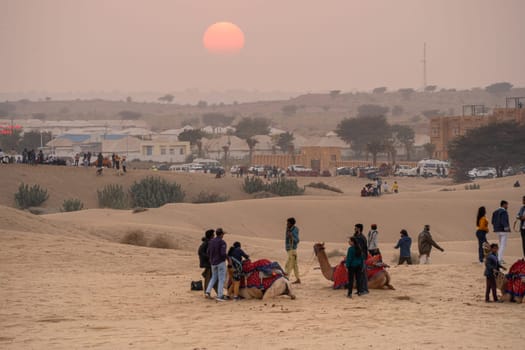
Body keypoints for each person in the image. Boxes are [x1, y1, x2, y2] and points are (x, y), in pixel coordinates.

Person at [205, 228, 228, 301]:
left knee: (213, 277)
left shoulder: (211, 241)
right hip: (220, 262)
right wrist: (226, 258)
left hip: (213, 263)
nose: (223, 235)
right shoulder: (222, 242)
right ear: (221, 234)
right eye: (223, 234)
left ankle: (207, 292)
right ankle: (220, 295)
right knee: (221, 279)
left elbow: (208, 252)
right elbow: (223, 253)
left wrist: (211, 259)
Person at [198, 229, 216, 294]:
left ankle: (219, 293)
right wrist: (209, 257)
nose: (214, 236)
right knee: (208, 278)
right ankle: (206, 293)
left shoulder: (208, 242)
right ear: (211, 236)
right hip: (208, 263)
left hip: (210, 263)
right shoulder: (206, 243)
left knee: (213, 277)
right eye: (213, 235)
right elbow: (200, 252)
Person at [353, 224, 369, 295]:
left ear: (359, 229)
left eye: (355, 228)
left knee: (363, 274)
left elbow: (364, 248)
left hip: (361, 257)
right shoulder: (356, 236)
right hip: (356, 257)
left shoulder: (362, 238)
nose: (354, 229)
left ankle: (365, 290)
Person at [285, 217, 301, 284]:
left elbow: (297, 240)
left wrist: (292, 237)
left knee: (289, 265)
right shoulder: (288, 229)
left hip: (292, 250)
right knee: (294, 266)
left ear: (291, 224)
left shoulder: (294, 230)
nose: (287, 224)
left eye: (288, 223)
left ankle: (286, 279)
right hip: (289, 249)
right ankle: (298, 279)